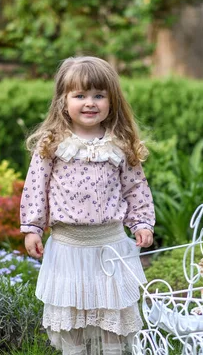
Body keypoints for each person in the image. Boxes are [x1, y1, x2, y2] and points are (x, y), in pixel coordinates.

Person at [20, 56, 155, 355]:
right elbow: (35, 188)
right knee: (73, 319)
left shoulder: (120, 144)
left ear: (112, 100)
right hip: (68, 247)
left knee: (111, 316)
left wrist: (142, 222)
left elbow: (135, 188)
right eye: (79, 95)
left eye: (98, 95)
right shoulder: (52, 144)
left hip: (111, 246)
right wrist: (32, 228)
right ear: (63, 101)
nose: (89, 103)